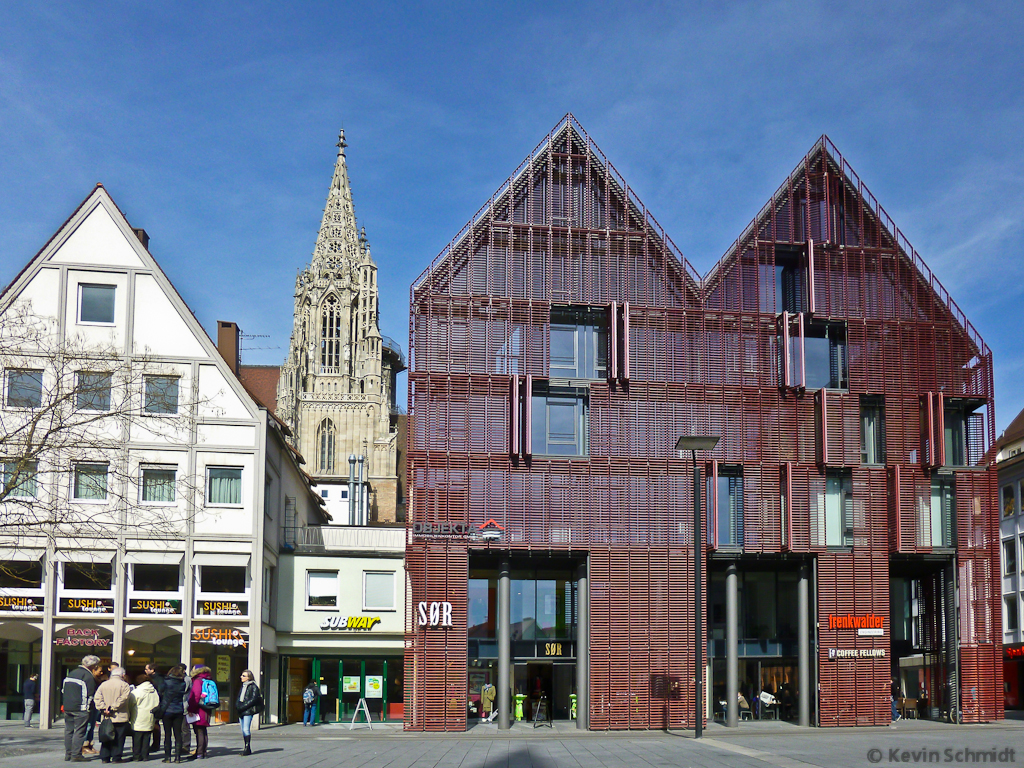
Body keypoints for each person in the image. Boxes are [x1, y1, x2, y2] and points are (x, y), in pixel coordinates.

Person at [63, 654, 104, 762]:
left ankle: (69, 753)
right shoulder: (88, 676)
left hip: (68, 707)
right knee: (79, 732)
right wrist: (87, 709)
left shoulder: (71, 673)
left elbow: (64, 691)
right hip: (80, 708)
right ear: (94, 665)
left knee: (69, 731)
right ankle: (76, 755)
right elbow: (89, 695)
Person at [94, 666, 132, 764]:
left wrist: (103, 708)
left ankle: (105, 757)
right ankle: (116, 757)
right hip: (120, 716)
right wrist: (112, 708)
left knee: (106, 737)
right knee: (119, 738)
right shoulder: (125, 685)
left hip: (106, 716)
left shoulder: (103, 685)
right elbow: (123, 699)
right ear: (123, 675)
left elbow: (97, 698)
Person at [159, 665, 188, 764]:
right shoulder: (182, 684)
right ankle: (178, 758)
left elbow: (161, 690)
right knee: (178, 734)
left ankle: (167, 757)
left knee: (167, 734)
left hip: (167, 710)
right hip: (178, 710)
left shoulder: (166, 682)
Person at [129, 673, 160, 762]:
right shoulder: (154, 691)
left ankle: (136, 755)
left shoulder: (137, 691)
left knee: (137, 737)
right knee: (147, 736)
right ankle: (145, 755)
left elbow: (131, 703)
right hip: (150, 716)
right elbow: (157, 703)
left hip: (138, 715)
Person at [187, 665, 215, 759]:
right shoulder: (207, 679)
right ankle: (203, 752)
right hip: (206, 708)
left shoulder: (198, 680)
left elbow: (195, 696)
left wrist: (190, 709)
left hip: (199, 709)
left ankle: (199, 753)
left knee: (199, 730)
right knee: (203, 730)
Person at [236, 670, 262, 756]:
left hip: (248, 711)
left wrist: (244, 706)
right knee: (243, 729)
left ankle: (247, 747)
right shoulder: (243, 686)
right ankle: (247, 747)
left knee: (246, 729)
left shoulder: (253, 687)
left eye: (243, 676)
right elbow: (239, 697)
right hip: (241, 710)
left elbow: (254, 699)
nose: (241, 677)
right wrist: (238, 705)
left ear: (248, 677)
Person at [145, 664, 166, 754]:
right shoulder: (158, 678)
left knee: (155, 724)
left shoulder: (156, 679)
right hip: (157, 703)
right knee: (154, 724)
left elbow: (160, 691)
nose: (145, 671)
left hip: (156, 703)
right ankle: (155, 744)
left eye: (146, 669)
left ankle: (155, 744)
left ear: (152, 670)